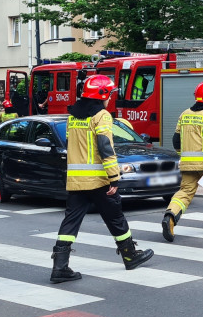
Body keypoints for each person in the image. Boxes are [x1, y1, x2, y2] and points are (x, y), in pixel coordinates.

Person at [49, 74, 154, 283]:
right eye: (109, 94)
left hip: (77, 181)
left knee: (70, 222)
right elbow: (105, 147)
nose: (110, 98)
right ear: (102, 94)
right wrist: (114, 178)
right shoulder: (102, 116)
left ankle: (59, 267)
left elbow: (72, 145)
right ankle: (130, 254)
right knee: (115, 217)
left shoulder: (73, 117)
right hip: (98, 180)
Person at [161, 81, 203, 242]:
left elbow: (176, 140)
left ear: (196, 96)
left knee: (184, 193)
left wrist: (183, 156)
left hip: (187, 164)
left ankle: (170, 216)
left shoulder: (184, 114)